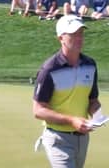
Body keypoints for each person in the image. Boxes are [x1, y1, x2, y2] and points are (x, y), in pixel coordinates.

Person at [33, 14, 101, 168]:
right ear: (61, 38)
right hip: (58, 138)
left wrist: (97, 115)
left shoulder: (90, 65)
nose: (79, 38)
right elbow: (38, 110)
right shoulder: (49, 69)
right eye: (73, 34)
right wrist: (72, 120)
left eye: (81, 33)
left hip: (82, 139)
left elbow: (92, 100)